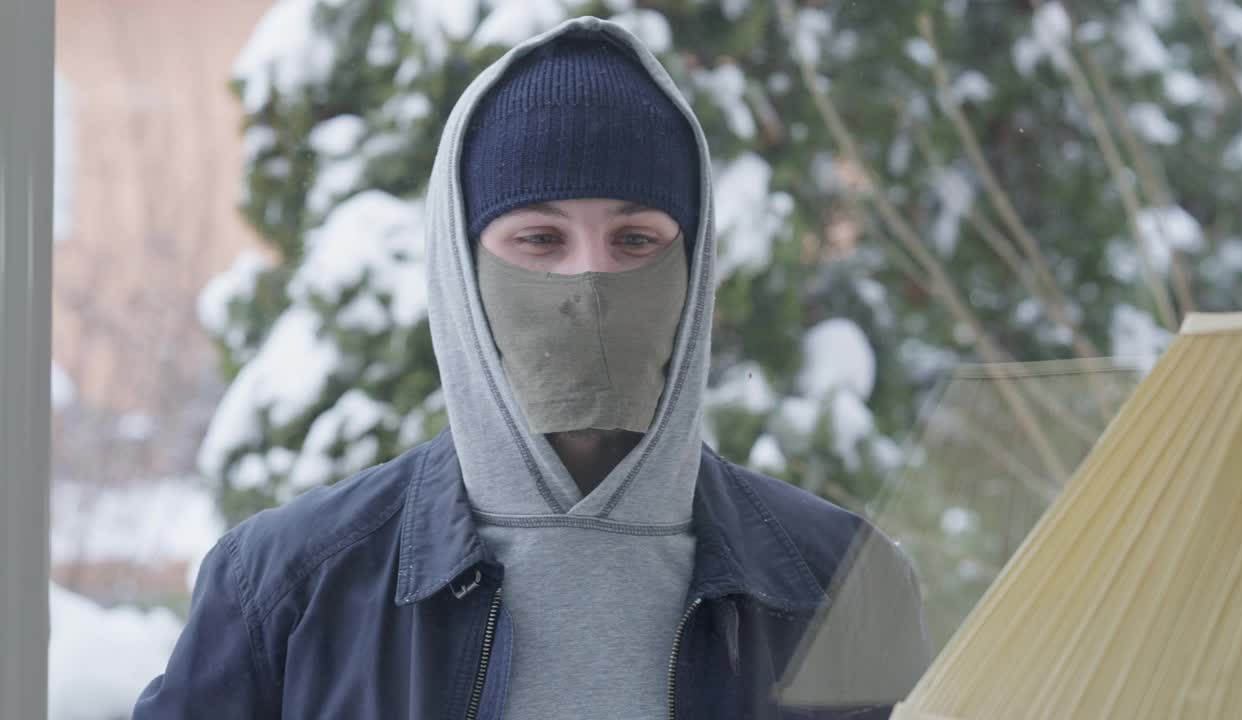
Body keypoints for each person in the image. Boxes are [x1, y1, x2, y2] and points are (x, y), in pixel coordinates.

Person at [133, 15, 930, 720]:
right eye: (539, 241)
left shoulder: (841, 587)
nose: (588, 286)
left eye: (637, 241)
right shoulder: (289, 591)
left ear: (696, 267)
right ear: (464, 270)